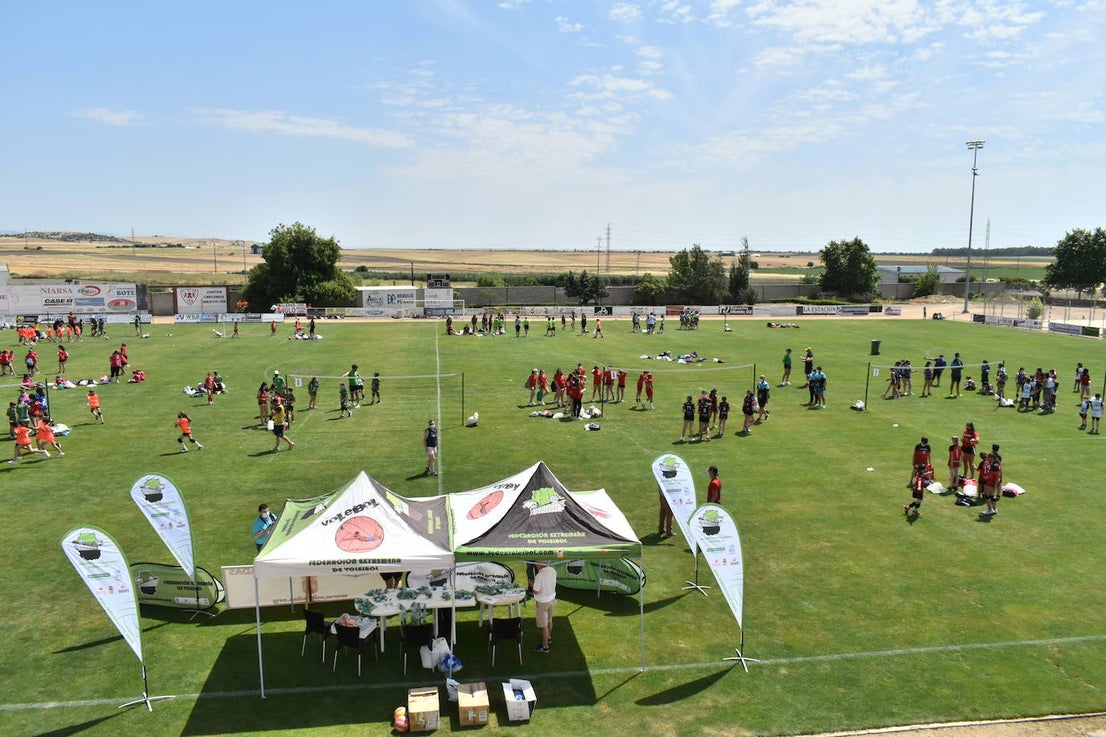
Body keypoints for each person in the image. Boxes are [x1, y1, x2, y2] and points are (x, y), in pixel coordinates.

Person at [531, 562, 557, 653]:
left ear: (540, 565)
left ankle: (545, 647)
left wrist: (531, 584)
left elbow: (536, 591)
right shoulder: (553, 570)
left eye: (536, 564)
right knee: (549, 620)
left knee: (543, 625)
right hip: (552, 599)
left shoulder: (539, 575)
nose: (535, 565)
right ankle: (549, 637)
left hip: (542, 602)